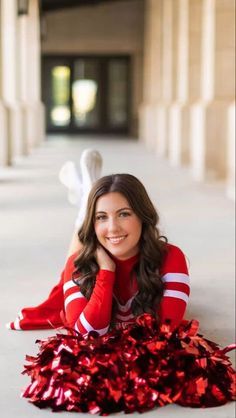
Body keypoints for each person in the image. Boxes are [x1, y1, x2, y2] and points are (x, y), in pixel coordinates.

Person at [7, 151, 235, 414]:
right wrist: (106, 271)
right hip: (88, 269)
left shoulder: (171, 257)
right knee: (67, 277)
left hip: (134, 269)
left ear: (143, 216)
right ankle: (86, 204)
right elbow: (85, 335)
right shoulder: (80, 265)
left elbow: (165, 332)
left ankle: (88, 199)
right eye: (101, 217)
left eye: (124, 214)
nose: (113, 227)